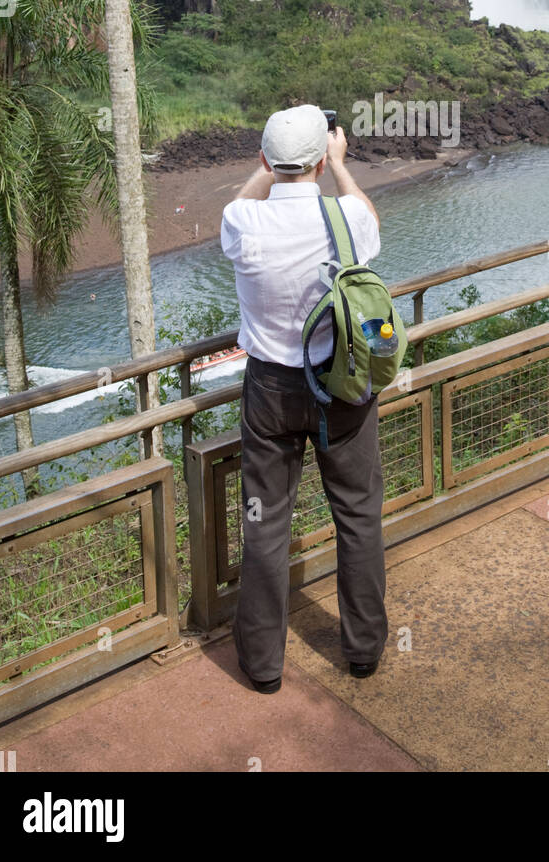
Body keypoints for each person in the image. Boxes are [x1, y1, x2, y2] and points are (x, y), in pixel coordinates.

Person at [220, 103, 387, 694]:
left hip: (270, 389)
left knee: (264, 521)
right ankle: (363, 650)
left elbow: (244, 200)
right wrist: (341, 169)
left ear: (266, 160)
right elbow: (367, 222)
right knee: (358, 513)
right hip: (340, 384)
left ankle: (263, 667)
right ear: (321, 158)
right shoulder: (346, 219)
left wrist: (268, 169)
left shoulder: (243, 221)